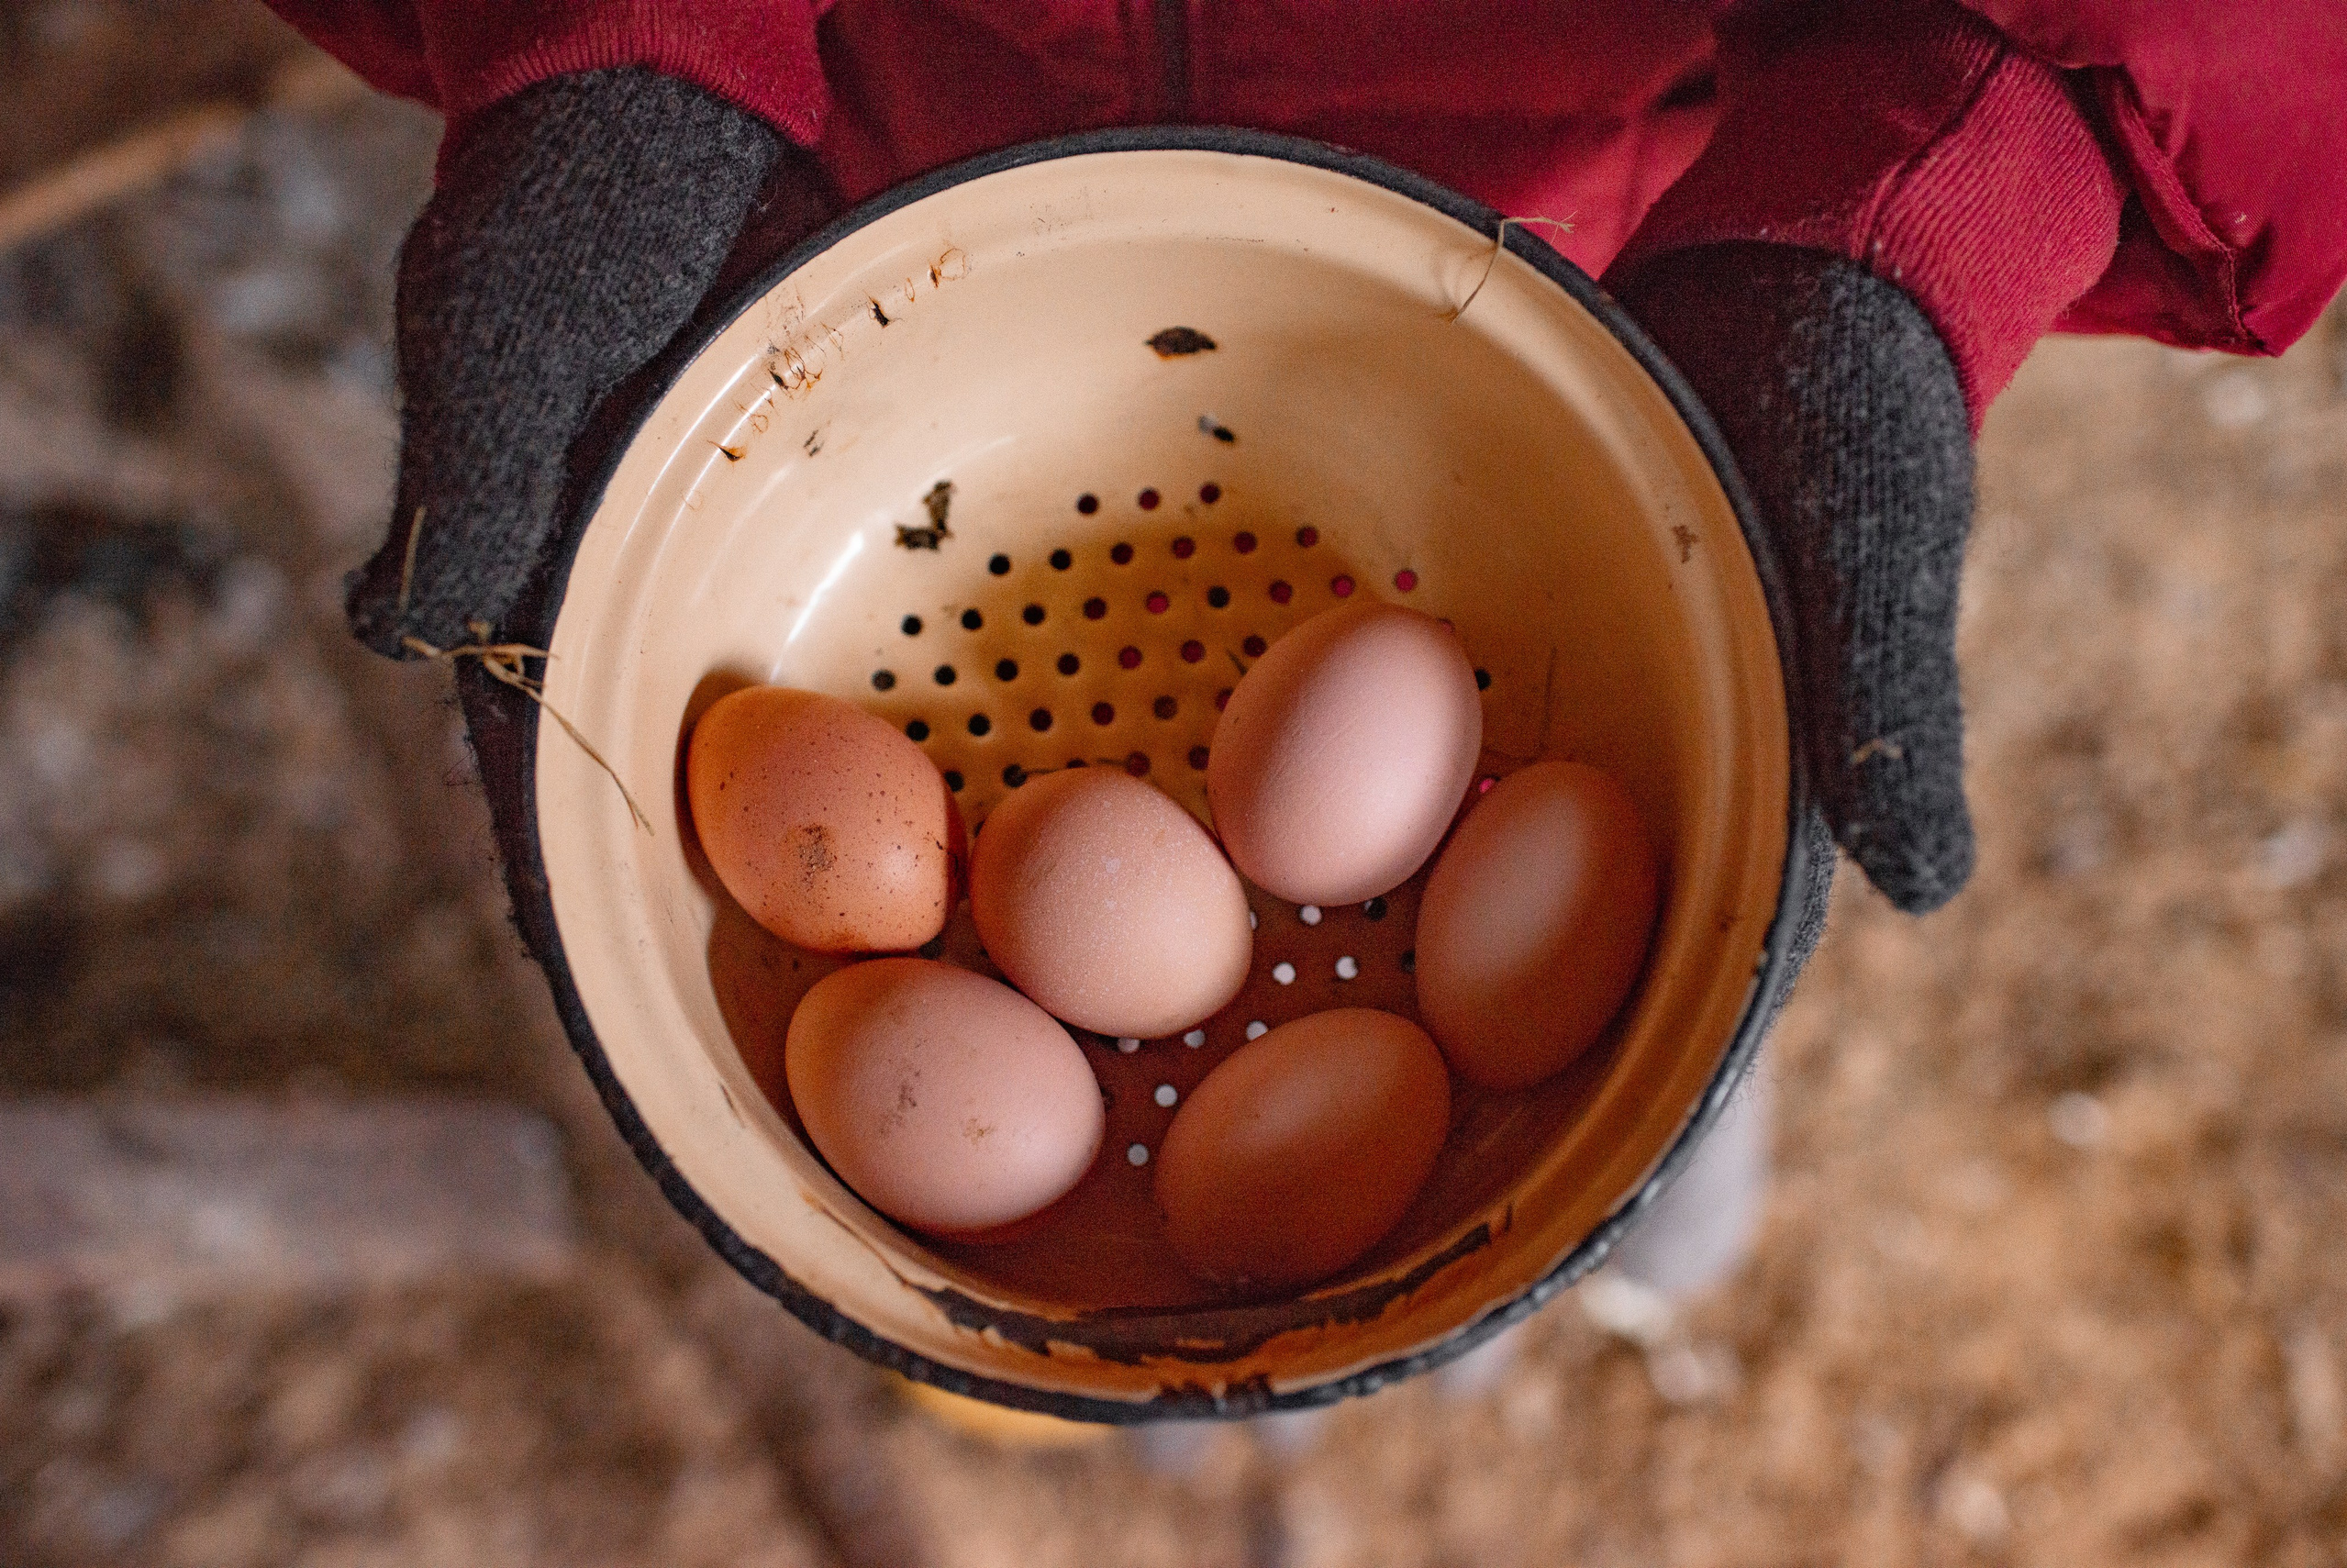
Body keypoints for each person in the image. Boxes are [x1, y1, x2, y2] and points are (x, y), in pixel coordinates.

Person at [262, 0, 2346, 1304]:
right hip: (851, 147)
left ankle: (1640, 1176)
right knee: (1518, 923)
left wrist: (1940, 162)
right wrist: (626, 39)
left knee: (1685, 770)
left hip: (1610, 213)